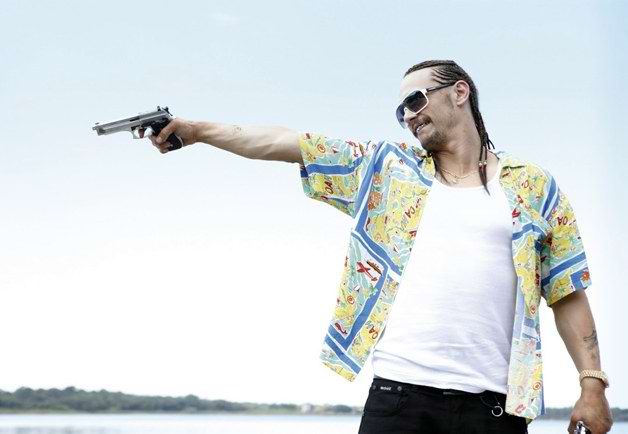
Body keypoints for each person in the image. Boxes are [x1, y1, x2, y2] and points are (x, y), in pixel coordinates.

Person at [147, 60, 612, 434]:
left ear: (460, 92)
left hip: (495, 410)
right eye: (400, 110)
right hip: (398, 400)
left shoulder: (533, 187)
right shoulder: (388, 169)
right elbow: (286, 142)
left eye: (415, 99)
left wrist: (592, 385)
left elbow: (566, 291)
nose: (408, 115)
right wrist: (199, 130)